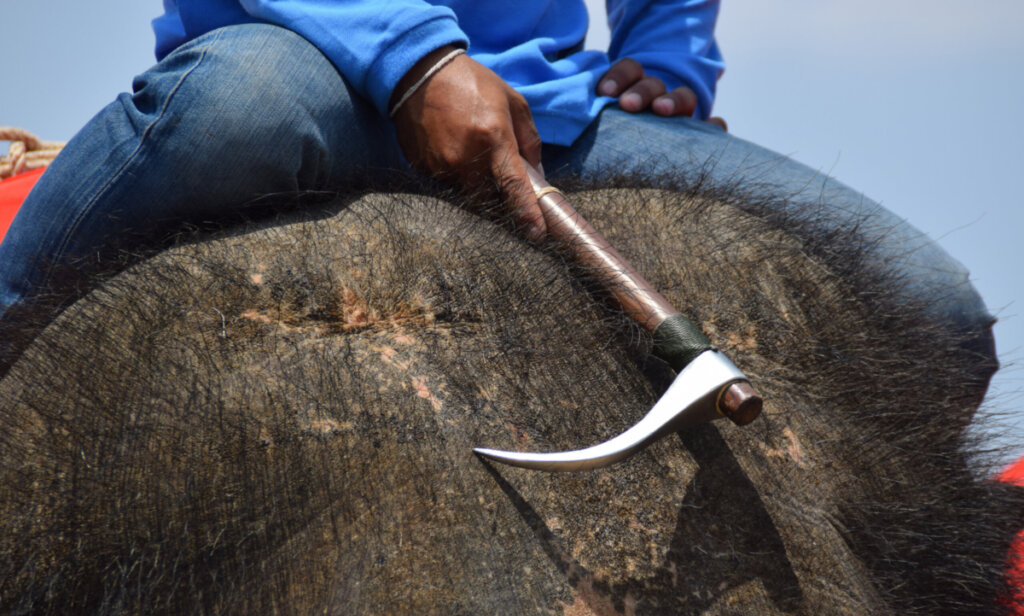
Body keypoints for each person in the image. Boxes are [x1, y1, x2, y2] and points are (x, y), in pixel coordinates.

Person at [0, 0, 996, 396]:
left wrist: (666, 50)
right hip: (300, 68)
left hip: (544, 111)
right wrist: (414, 60)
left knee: (929, 310)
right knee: (230, 106)